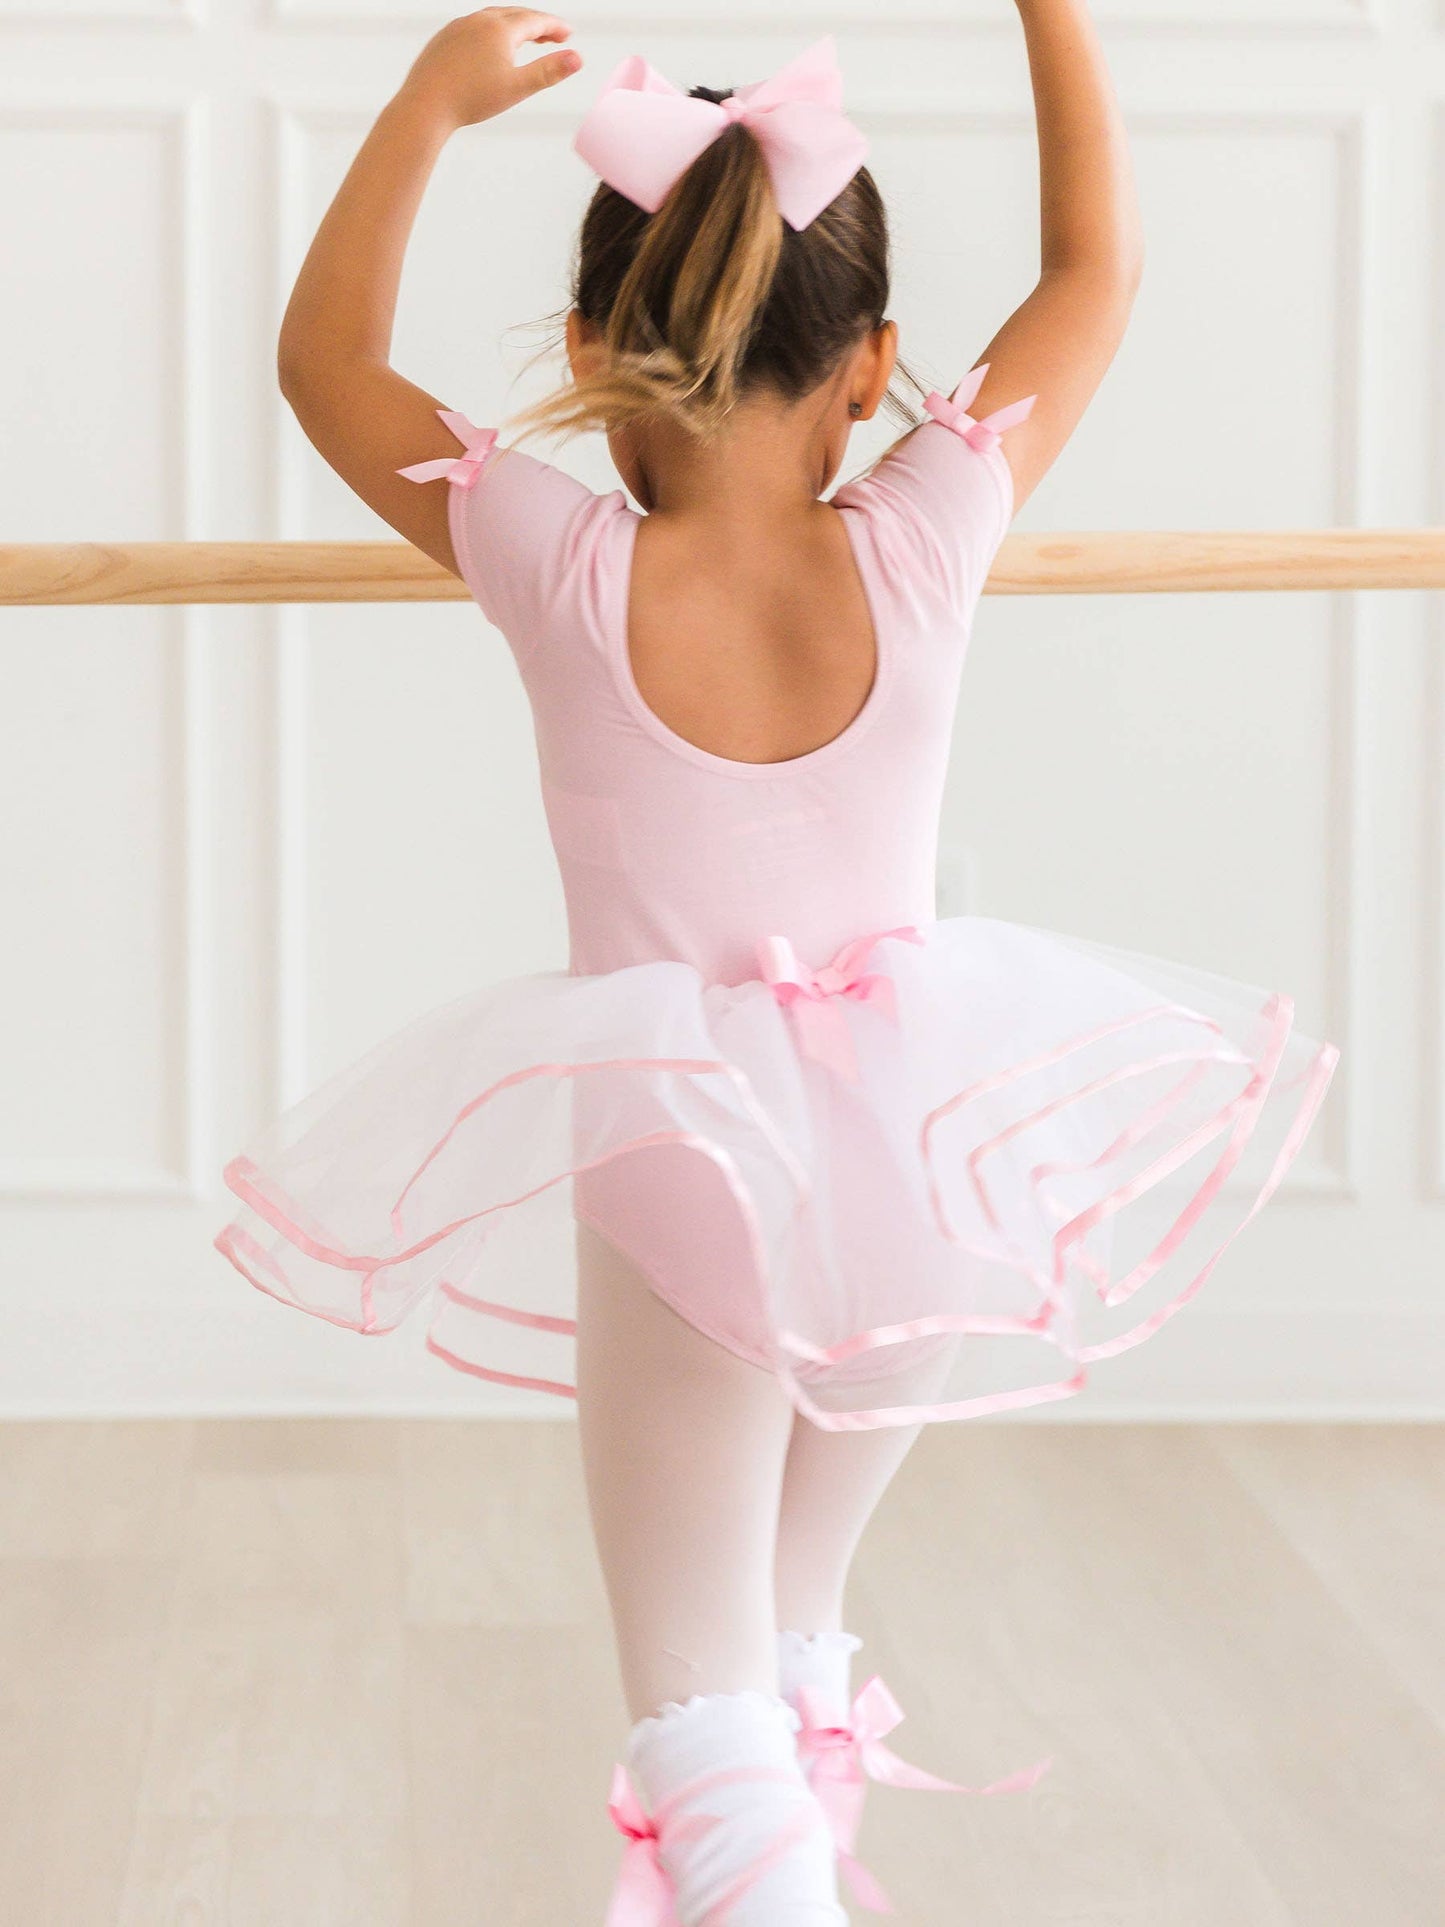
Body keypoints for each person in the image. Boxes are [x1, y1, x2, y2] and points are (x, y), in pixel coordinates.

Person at [214, 9, 1340, 1918]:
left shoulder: (559, 562)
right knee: (795, 1633)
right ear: (879, 365)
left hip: (680, 1172)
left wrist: (421, 104)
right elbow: (1096, 271)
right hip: (913, 1165)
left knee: (697, 1695)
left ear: (590, 351)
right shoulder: (929, 529)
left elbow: (324, 364)